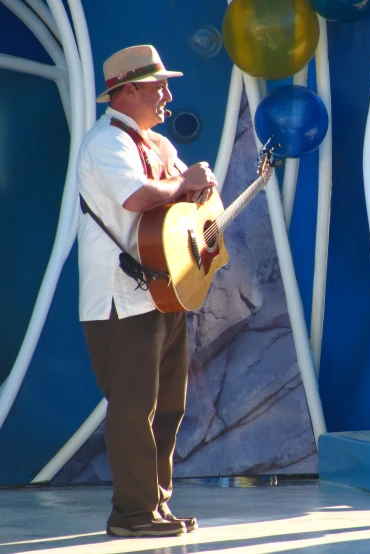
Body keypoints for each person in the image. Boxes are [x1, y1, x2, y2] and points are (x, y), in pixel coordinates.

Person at [77, 45, 216, 538]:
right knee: (134, 407)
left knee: (168, 406)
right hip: (120, 297)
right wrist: (184, 185)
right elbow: (137, 196)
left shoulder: (154, 143)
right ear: (128, 90)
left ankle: (154, 505)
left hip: (162, 292)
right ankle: (131, 514)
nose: (168, 95)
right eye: (159, 86)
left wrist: (201, 189)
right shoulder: (105, 144)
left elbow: (187, 200)